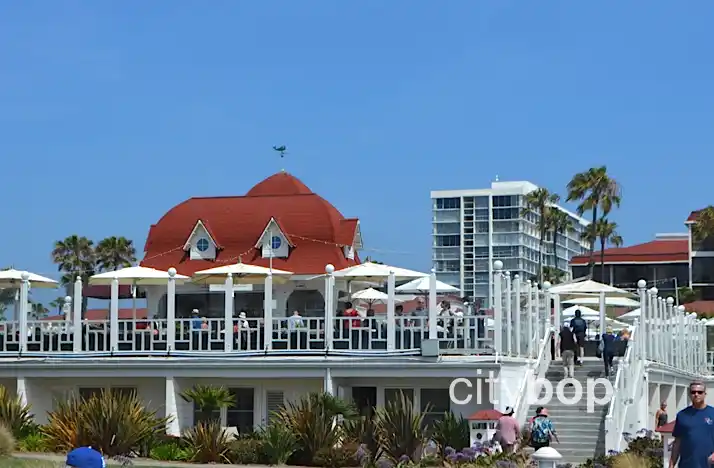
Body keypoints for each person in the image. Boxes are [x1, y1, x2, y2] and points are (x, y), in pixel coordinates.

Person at [670, 381, 714, 468]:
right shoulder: (682, 415)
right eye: (693, 392)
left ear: (705, 394)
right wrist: (671, 465)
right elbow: (677, 442)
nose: (696, 394)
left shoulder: (712, 413)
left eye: (700, 392)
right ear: (689, 394)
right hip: (687, 465)